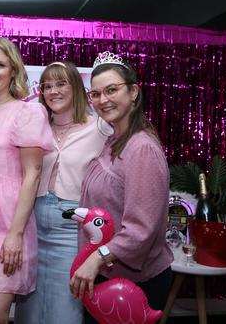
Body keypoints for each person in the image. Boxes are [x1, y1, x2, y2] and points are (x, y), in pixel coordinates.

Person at [69, 52, 173, 322]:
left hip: (136, 284)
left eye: (112, 90)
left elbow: (140, 230)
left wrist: (96, 259)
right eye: (96, 94)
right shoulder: (117, 140)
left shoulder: (142, 148)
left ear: (134, 92)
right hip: (110, 277)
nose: (103, 100)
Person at [14, 61, 107, 324]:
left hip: (71, 229)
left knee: (65, 309)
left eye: (61, 83)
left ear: (76, 87)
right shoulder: (37, 126)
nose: (53, 91)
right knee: (28, 310)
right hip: (33, 223)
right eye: (47, 86)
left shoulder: (100, 127)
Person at [0, 37, 53, 323]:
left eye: (1, 65)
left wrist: (15, 234)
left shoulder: (27, 112)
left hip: (7, 223)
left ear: (13, 71)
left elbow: (33, 175)